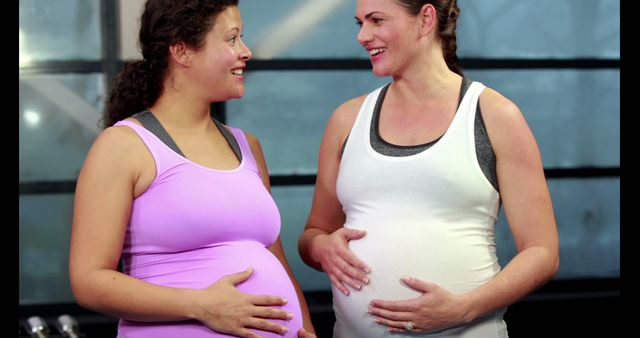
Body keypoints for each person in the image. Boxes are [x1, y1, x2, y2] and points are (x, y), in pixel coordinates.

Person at [298, 0, 560, 337]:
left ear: (425, 19)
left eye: (377, 20)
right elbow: (314, 232)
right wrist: (321, 247)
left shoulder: (495, 116)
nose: (363, 36)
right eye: (359, 23)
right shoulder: (347, 119)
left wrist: (463, 309)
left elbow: (542, 252)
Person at [69, 1, 316, 337]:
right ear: (182, 51)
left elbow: (275, 260)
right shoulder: (123, 146)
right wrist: (202, 305)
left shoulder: (247, 146)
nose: (245, 51)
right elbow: (89, 282)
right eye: (231, 39)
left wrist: (308, 329)